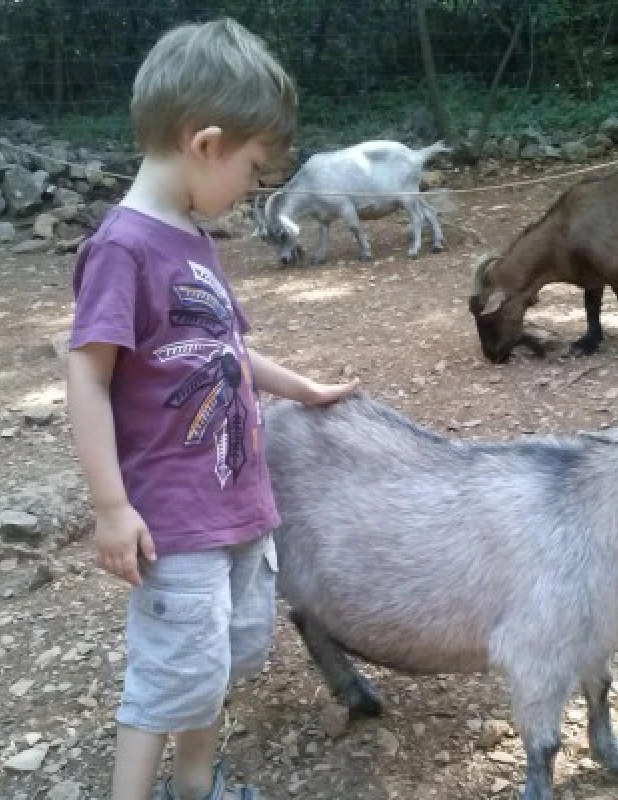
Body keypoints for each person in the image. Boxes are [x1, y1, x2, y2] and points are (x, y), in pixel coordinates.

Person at [65, 18, 358, 800]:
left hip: (237, 509)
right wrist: (110, 507)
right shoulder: (123, 248)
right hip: (173, 521)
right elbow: (86, 376)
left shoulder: (193, 239)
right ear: (206, 143)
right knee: (168, 676)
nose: (254, 192)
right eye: (255, 171)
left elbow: (225, 352)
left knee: (218, 663)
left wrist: (303, 388)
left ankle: (194, 785)